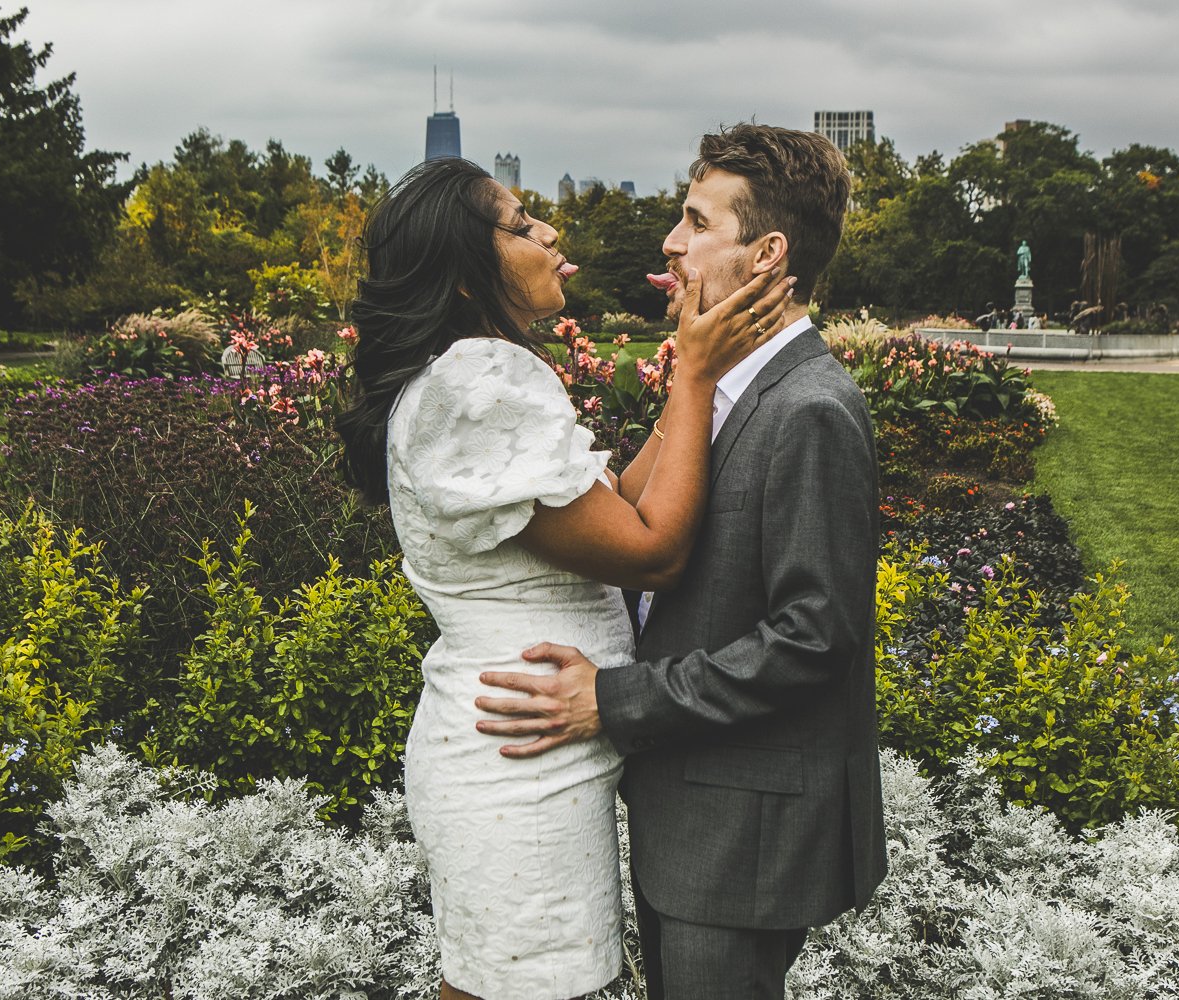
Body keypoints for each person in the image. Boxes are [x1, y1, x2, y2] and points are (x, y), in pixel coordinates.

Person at [334, 156, 795, 1000]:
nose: (549, 233)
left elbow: (609, 513)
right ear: (466, 275)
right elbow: (652, 549)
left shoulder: (462, 376)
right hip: (520, 757)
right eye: (517, 225)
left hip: (524, 744)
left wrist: (702, 379)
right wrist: (694, 374)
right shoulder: (482, 378)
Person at [475, 124, 888, 1000]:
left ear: (767, 254)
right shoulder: (732, 386)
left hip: (741, 839)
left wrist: (611, 700)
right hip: (696, 819)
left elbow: (815, 639)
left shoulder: (809, 407)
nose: (671, 242)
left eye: (696, 222)